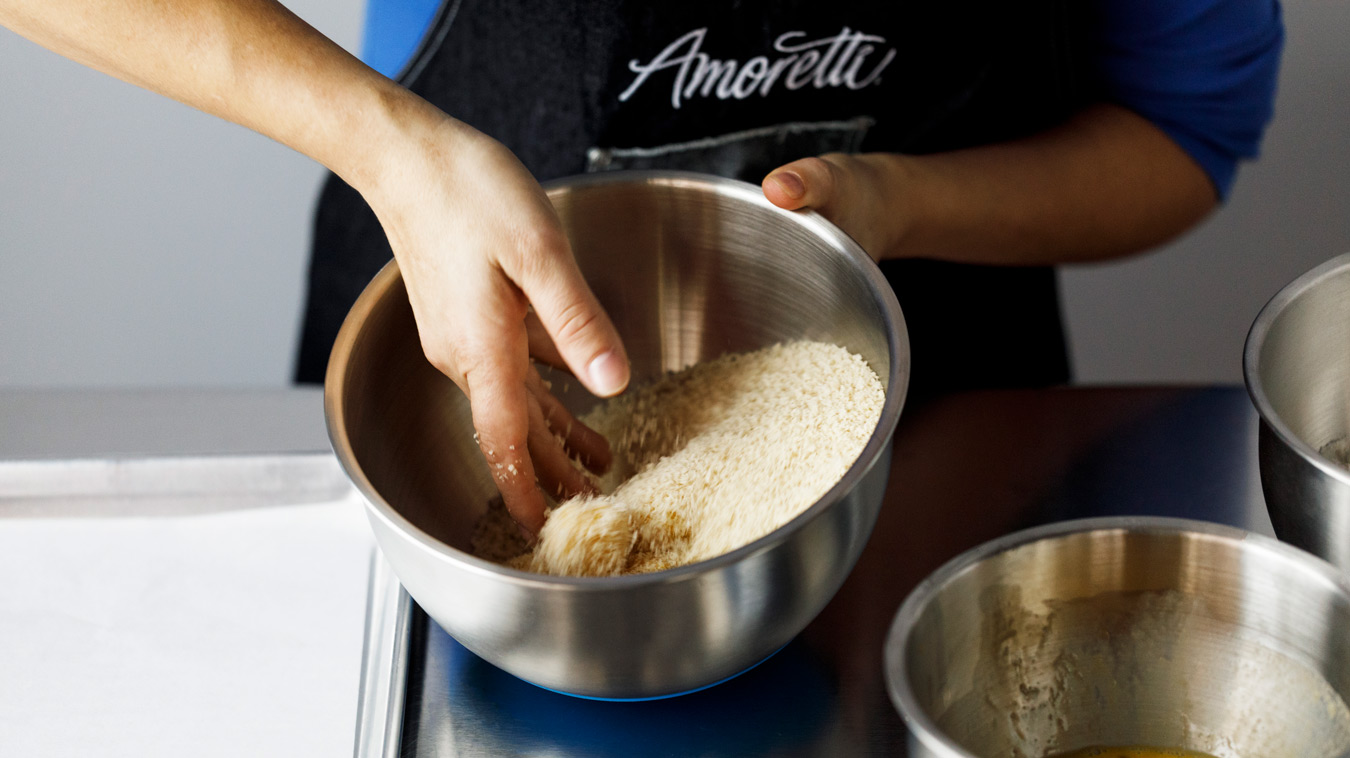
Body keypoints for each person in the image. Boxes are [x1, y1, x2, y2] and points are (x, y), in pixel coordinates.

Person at [0, 0, 1283, 536]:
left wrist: (904, 196)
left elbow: (1186, 126)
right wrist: (387, 145)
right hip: (454, 329)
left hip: (941, 420)